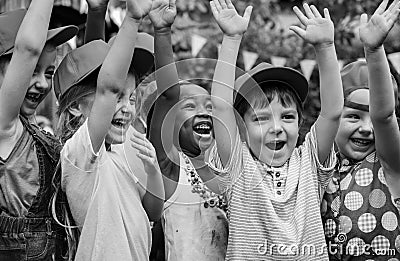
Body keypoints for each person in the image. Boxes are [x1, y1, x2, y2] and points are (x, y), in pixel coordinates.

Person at [208, 0, 343, 259]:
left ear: (300, 123)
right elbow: (221, 107)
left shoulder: (310, 163)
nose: (277, 128)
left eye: (288, 117)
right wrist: (232, 38)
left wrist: (325, 47)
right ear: (241, 127)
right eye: (261, 119)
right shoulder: (237, 165)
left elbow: (332, 112)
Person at [54, 0, 164, 259]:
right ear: (75, 107)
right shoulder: (80, 155)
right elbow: (107, 88)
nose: (127, 108)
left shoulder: (123, 149)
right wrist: (132, 19)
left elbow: (154, 212)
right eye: (117, 98)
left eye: (132, 98)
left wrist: (153, 171)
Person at [147, 0, 228, 260]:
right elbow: (169, 96)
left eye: (208, 107)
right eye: (190, 106)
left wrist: (231, 38)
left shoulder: (225, 169)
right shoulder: (170, 167)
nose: (204, 112)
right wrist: (162, 31)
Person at [321, 0, 400, 259]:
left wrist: (374, 50)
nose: (367, 128)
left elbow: (385, 116)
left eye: (372, 120)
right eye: (354, 116)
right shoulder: (319, 169)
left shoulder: (390, 164)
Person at [0, 3, 78, 260]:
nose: (43, 83)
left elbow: (90, 88)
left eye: (49, 72)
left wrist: (98, 12)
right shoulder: (4, 126)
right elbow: (28, 48)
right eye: (32, 70)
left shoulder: (28, 126)